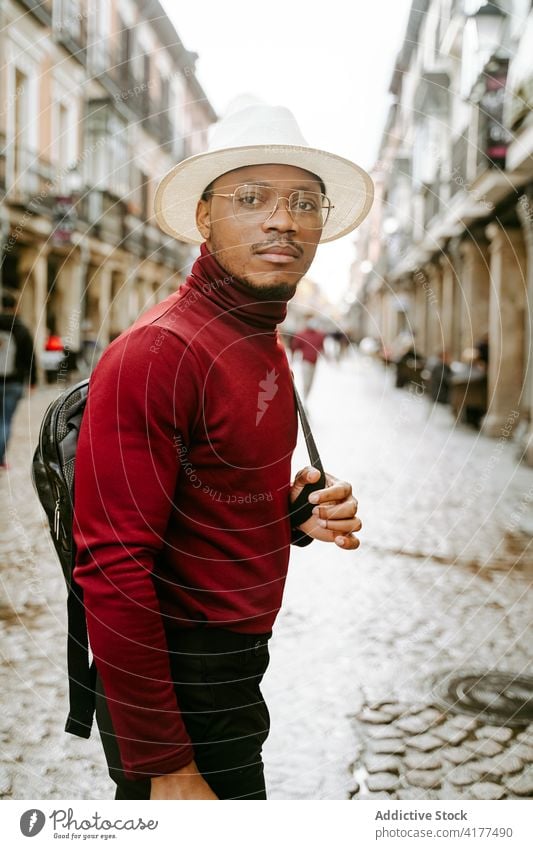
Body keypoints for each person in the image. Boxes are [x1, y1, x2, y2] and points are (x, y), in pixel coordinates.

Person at [72, 99, 374, 800]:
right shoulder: (161, 350)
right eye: (251, 198)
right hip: (183, 683)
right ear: (205, 217)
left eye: (305, 201)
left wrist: (292, 515)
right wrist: (165, 764)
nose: (283, 218)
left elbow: (205, 500)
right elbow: (112, 567)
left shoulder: (260, 339)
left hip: (236, 673)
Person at [0, 290, 37, 468]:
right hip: (13, 382)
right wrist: (33, 380)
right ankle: (0, 459)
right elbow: (30, 356)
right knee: (5, 421)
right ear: (15, 307)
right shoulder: (21, 328)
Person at [290, 317, 326, 399]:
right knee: (306, 382)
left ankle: (306, 397)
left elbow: (322, 347)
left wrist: (325, 357)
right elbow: (295, 346)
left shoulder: (319, 335)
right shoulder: (302, 334)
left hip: (314, 362)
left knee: (310, 382)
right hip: (305, 362)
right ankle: (304, 399)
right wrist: (293, 357)